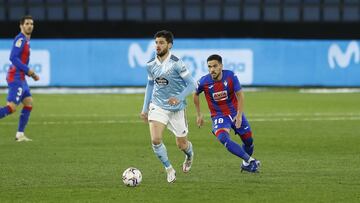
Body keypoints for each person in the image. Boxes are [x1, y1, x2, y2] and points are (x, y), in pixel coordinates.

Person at [140, 30, 195, 183]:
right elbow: (150, 84)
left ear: (169, 45)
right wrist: (145, 108)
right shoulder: (150, 64)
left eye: (161, 42)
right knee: (156, 140)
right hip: (158, 106)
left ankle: (189, 156)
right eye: (156, 42)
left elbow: (192, 84)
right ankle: (169, 169)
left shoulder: (177, 63)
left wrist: (179, 97)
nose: (158, 45)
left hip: (177, 109)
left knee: (181, 144)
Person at [193, 54, 260, 173]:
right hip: (219, 115)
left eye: (215, 66)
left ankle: (245, 164)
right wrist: (199, 114)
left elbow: (240, 95)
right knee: (223, 137)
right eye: (209, 67)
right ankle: (250, 160)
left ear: (221, 66)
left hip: (235, 113)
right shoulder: (204, 81)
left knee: (248, 141)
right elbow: (195, 94)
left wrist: (239, 115)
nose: (212, 69)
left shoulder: (230, 76)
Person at [0, 15, 39, 142]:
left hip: (21, 78)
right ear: (21, 26)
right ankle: (20, 134)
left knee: (28, 103)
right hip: (16, 77)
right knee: (11, 107)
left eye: (31, 24)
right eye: (27, 23)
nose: (30, 26)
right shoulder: (20, 39)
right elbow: (13, 57)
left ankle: (20, 134)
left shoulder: (26, 41)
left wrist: (29, 73)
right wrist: (29, 71)